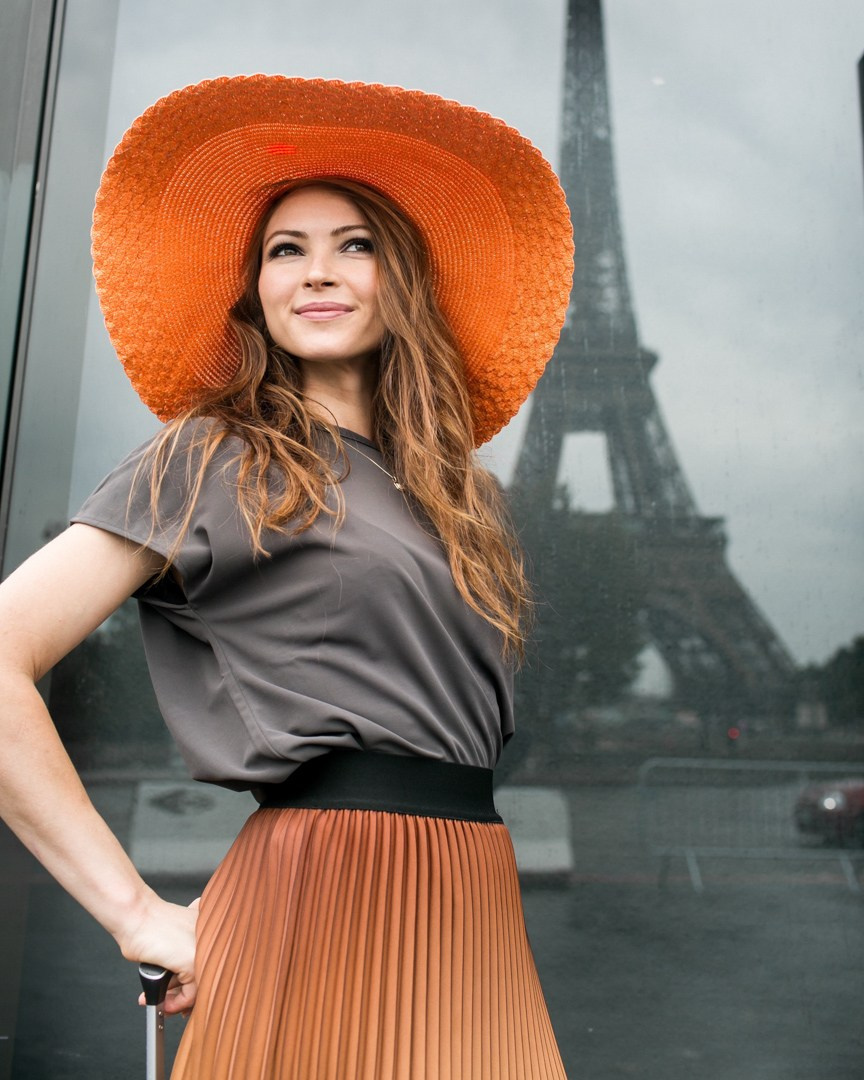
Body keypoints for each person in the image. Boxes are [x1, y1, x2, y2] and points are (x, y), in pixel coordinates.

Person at [0, 75, 573, 1078]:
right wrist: (133, 911)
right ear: (257, 290)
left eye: (355, 245)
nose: (317, 273)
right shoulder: (216, 454)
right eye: (285, 250)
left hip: (473, 895)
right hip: (324, 892)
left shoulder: (455, 495)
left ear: (402, 281)